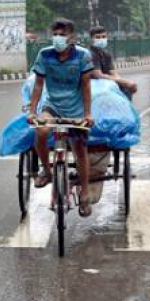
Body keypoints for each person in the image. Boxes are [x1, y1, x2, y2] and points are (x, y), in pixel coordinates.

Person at [27, 18, 95, 217]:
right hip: (52, 106)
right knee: (41, 130)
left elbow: (86, 86)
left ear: (72, 37)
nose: (58, 38)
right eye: (55, 34)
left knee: (80, 149)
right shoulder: (44, 54)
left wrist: (88, 114)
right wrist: (32, 111)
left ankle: (84, 192)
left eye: (62, 34)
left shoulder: (83, 56)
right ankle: (47, 172)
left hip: (76, 110)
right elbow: (38, 85)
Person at [88, 26, 137, 99]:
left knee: (127, 89)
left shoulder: (106, 54)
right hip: (93, 85)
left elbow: (113, 73)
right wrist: (123, 82)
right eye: (97, 37)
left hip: (106, 83)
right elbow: (98, 75)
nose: (101, 39)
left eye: (103, 37)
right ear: (92, 39)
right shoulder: (90, 54)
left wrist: (122, 82)